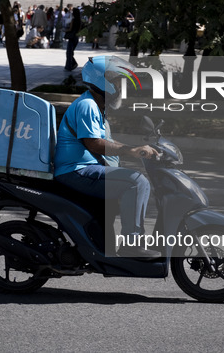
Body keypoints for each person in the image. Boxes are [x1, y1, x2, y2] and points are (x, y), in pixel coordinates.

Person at [54, 56, 161, 259]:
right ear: (102, 81)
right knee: (137, 182)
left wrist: (130, 154)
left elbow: (105, 146)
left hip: (84, 168)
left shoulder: (97, 106)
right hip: (76, 170)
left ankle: (105, 250)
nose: (120, 87)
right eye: (117, 82)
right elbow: (93, 143)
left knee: (127, 183)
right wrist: (131, 150)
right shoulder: (87, 105)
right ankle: (132, 244)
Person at [64, 7, 81, 71]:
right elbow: (79, 30)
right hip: (76, 37)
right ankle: (70, 65)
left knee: (69, 52)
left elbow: (70, 29)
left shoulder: (73, 20)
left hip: (71, 37)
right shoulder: (79, 20)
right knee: (71, 52)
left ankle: (70, 65)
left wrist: (65, 30)